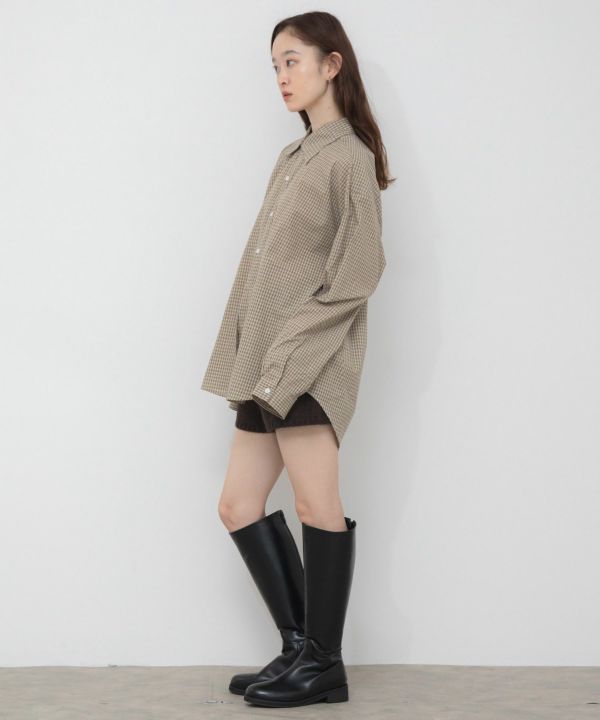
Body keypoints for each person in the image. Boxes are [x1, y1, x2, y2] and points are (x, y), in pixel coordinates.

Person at [201, 11, 394, 708]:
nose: (282, 77)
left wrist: (289, 348)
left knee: (317, 503)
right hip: (266, 363)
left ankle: (324, 664)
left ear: (331, 64)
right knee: (237, 505)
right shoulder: (293, 157)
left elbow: (359, 271)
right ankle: (298, 648)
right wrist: (250, 350)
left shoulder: (349, 157)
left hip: (309, 363)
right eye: (275, 65)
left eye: (292, 61)